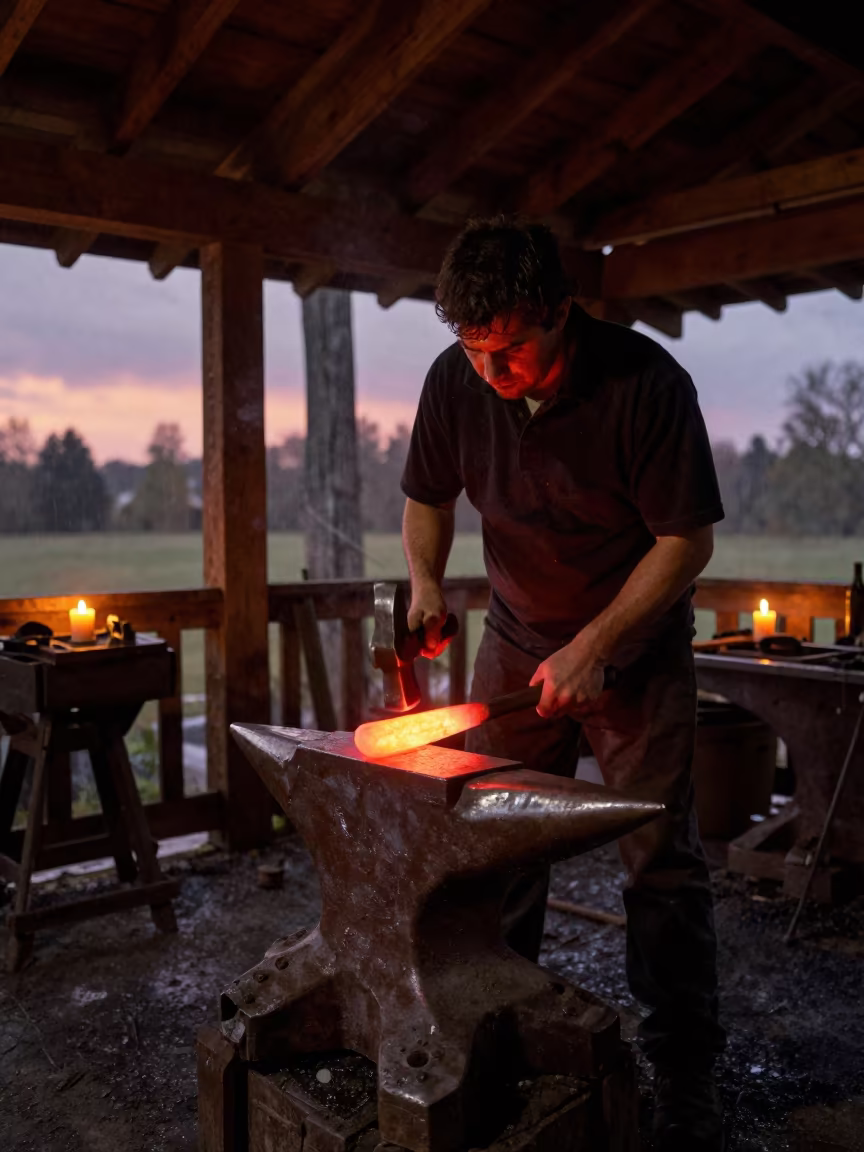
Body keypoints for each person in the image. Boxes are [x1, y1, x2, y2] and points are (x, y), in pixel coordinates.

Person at [400, 216, 727, 1152]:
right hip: (512, 638)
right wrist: (428, 583)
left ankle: (684, 1070)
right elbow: (427, 495)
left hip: (637, 648)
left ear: (559, 313)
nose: (492, 373)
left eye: (510, 351)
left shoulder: (647, 383)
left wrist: (596, 645)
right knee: (495, 845)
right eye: (474, 353)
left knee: (659, 863)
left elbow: (686, 541)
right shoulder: (453, 381)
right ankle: (499, 1030)